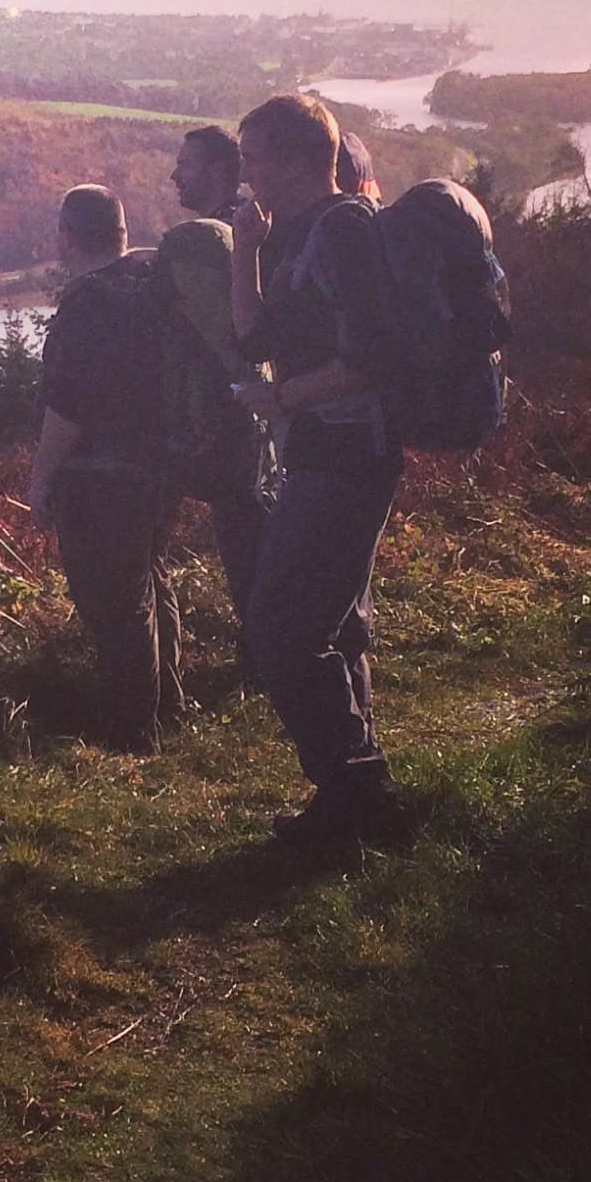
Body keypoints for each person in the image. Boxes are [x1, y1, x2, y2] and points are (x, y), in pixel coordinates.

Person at [229, 92, 417, 849]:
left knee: (279, 628)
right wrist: (245, 247)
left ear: (303, 158)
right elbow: (252, 339)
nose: (244, 173)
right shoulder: (296, 233)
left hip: (350, 456)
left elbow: (372, 359)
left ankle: (358, 788)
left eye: (253, 157)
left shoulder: (344, 229)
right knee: (325, 628)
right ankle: (353, 801)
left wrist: (279, 399)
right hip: (320, 454)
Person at [27, 184, 184, 750]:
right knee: (150, 582)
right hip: (158, 465)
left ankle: (132, 732)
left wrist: (41, 478)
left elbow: (67, 407)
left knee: (114, 605)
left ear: (67, 237)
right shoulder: (147, 287)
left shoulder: (87, 305)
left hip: (99, 475)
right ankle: (169, 706)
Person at [164, 125, 268, 630]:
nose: (175, 174)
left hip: (237, 418)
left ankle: (265, 659)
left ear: (221, 171)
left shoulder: (227, 240)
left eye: (185, 164)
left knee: (247, 537)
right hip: (249, 414)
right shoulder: (244, 225)